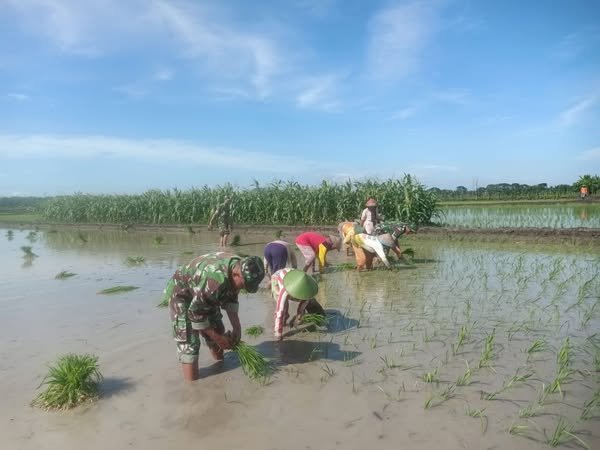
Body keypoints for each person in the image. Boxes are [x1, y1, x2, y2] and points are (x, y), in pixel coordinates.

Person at [165, 251, 265, 381]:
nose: (243, 289)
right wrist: (218, 339)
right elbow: (195, 313)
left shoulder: (243, 266)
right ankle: (193, 389)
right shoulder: (214, 282)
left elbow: (232, 294)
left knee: (217, 328)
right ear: (236, 274)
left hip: (204, 293)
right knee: (190, 344)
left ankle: (220, 370)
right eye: (244, 285)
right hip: (182, 295)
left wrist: (237, 327)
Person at [271, 268, 325, 340]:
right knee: (283, 309)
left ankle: (286, 320)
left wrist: (298, 317)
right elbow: (279, 311)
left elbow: (302, 306)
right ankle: (282, 323)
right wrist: (278, 333)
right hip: (277, 279)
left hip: (294, 275)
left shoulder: (307, 288)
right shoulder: (284, 290)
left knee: (311, 302)